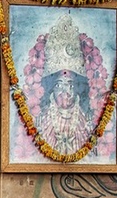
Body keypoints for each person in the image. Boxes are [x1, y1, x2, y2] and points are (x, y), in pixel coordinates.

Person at [35, 14, 95, 156]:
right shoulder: (41, 120)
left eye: (70, 84)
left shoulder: (86, 119)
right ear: (52, 89)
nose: (65, 91)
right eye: (59, 84)